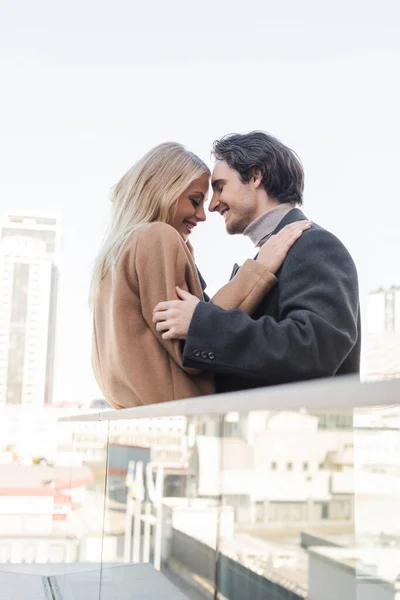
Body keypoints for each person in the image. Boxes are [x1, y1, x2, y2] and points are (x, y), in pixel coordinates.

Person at [90, 142, 311, 408]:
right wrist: (260, 268)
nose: (202, 215)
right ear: (164, 191)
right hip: (182, 418)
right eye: (195, 201)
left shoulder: (115, 253)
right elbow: (190, 345)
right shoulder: (157, 237)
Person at [153, 132, 361, 393]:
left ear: (255, 176)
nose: (213, 205)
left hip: (301, 431)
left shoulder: (314, 245)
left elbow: (315, 349)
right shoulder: (270, 256)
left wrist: (203, 324)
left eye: (220, 187)